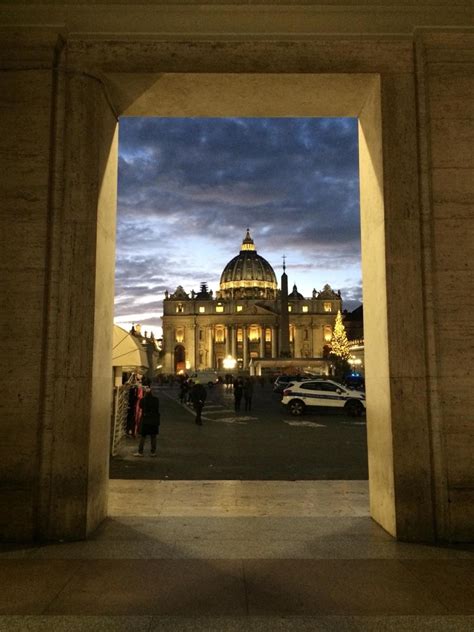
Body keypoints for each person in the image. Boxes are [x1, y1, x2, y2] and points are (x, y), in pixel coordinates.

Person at [133, 387, 160, 457]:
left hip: (145, 420)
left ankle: (140, 452)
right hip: (154, 420)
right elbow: (157, 407)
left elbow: (140, 406)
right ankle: (153, 452)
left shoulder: (143, 400)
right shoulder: (156, 400)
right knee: (153, 436)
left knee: (143, 436)